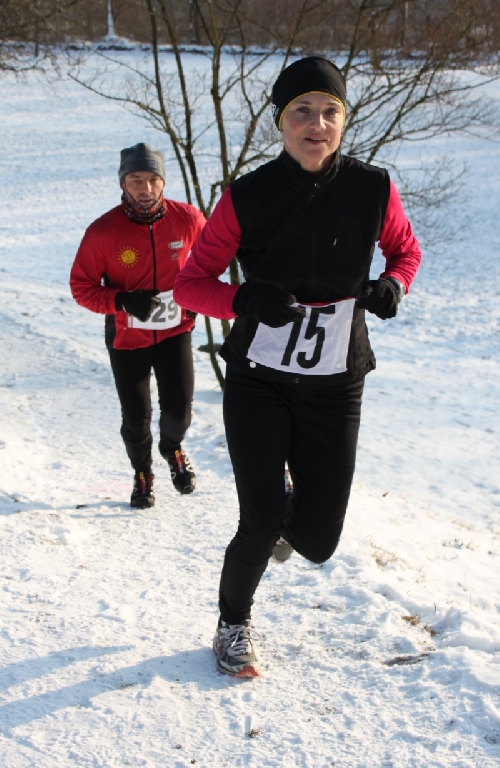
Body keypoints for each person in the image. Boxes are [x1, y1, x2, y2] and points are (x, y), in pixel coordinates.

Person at [174, 57, 421, 677]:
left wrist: (394, 282)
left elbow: (406, 251)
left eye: (330, 111)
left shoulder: (373, 188)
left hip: (335, 382)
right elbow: (188, 286)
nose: (318, 123)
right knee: (258, 522)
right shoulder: (247, 196)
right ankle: (233, 624)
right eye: (302, 112)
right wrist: (241, 299)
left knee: (317, 539)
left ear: (344, 120)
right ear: (280, 122)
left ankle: (288, 505)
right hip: (260, 380)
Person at [70, 143, 205, 508]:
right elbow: (81, 288)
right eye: (135, 180)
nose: (145, 189)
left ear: (162, 182)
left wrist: (196, 297)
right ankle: (142, 472)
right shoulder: (103, 232)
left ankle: (172, 447)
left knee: (179, 411)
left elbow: (210, 262)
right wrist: (121, 301)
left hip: (175, 331)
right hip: (127, 337)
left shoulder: (189, 220)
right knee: (136, 416)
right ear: (123, 183)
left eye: (152, 180)